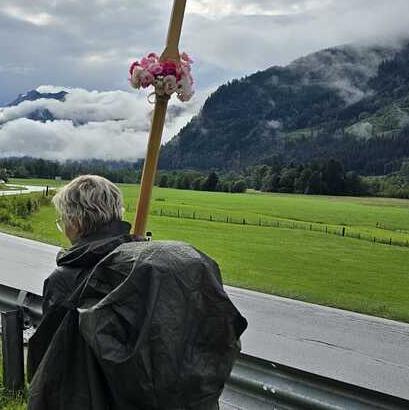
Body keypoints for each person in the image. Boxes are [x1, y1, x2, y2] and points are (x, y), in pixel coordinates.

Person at [27, 175, 247, 409]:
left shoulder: (65, 279)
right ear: (117, 213)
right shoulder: (148, 266)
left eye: (62, 220)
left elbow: (51, 362)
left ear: (76, 222)